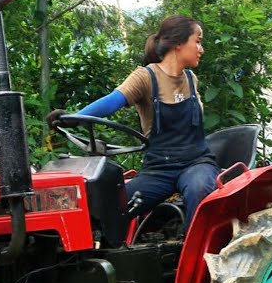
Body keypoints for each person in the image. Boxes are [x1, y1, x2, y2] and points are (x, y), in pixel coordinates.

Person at [76, 15, 219, 224]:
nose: (201, 49)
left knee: (200, 188)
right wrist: (74, 118)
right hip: (159, 169)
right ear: (178, 43)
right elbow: (112, 101)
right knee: (110, 206)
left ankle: (195, 245)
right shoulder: (145, 77)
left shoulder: (191, 79)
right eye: (197, 41)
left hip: (196, 163)